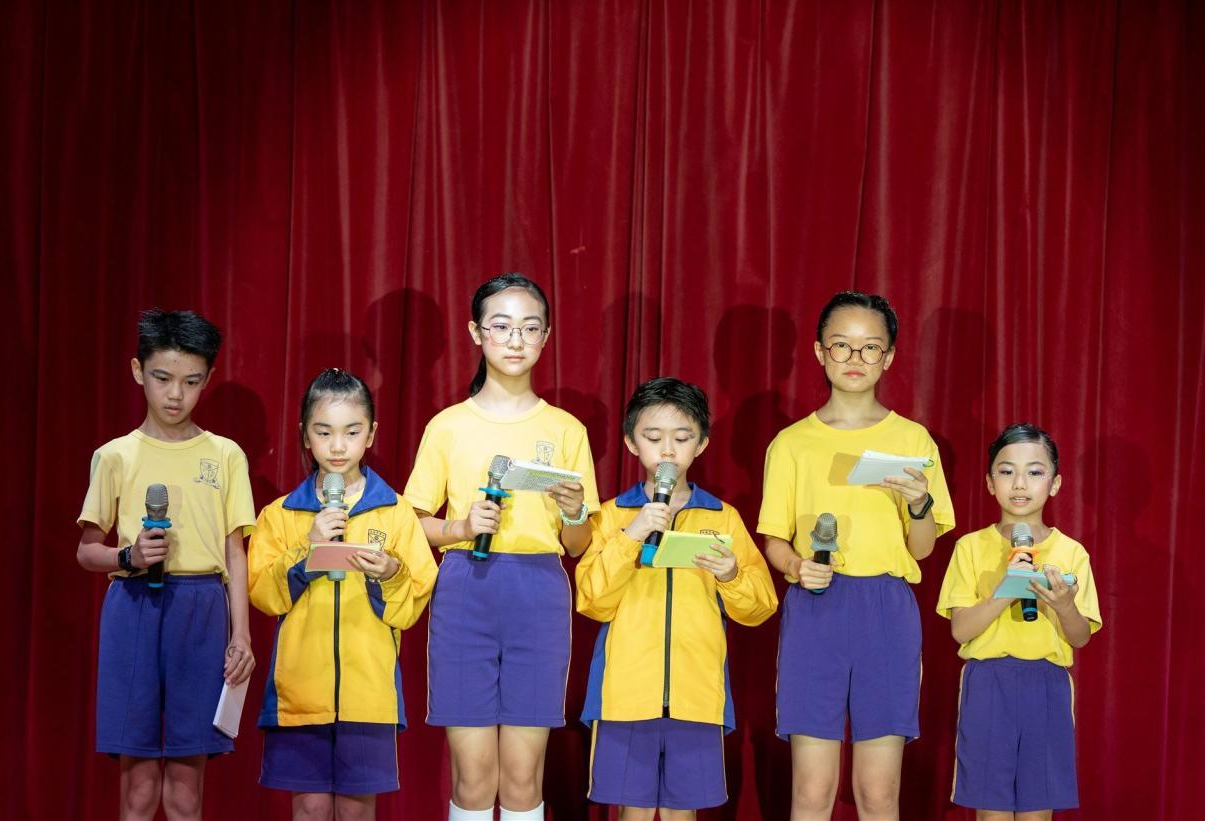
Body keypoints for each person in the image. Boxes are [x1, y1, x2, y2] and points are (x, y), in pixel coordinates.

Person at [404, 273, 600, 821]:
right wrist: (462, 527)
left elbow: (578, 544)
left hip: (538, 591)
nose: (516, 340)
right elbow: (412, 523)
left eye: (530, 328)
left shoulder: (566, 430)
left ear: (546, 337)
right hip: (466, 588)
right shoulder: (447, 426)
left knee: (521, 776)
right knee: (473, 776)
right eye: (502, 326)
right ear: (476, 332)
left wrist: (573, 510)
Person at [757, 290, 955, 820]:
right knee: (811, 791)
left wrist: (919, 503)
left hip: (886, 609)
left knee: (878, 792)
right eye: (841, 345)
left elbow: (922, 548)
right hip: (815, 609)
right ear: (820, 352)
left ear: (888, 357)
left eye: (870, 348)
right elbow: (773, 539)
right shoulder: (791, 443)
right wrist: (797, 566)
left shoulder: (913, 441)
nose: (855, 358)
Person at [76, 308, 255, 821]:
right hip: (133, 605)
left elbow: (234, 551)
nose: (175, 394)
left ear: (208, 379)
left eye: (191, 381)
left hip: (201, 609)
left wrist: (241, 634)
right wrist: (127, 556)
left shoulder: (225, 455)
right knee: (137, 788)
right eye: (162, 378)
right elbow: (87, 550)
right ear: (138, 371)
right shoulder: (115, 455)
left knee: (184, 788)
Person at [576, 377, 777, 819]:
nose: (667, 450)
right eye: (653, 437)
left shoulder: (723, 518)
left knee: (682, 812)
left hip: (697, 694)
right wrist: (632, 535)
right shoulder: (611, 515)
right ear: (631, 443)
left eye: (682, 438)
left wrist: (730, 575)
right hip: (625, 694)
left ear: (701, 444)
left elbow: (760, 606)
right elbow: (592, 600)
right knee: (632, 811)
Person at [249, 368, 438, 820]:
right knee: (311, 809)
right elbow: (263, 593)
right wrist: (309, 548)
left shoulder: (396, 512)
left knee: (356, 811)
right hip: (299, 694)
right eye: (324, 432)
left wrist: (390, 573)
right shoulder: (280, 514)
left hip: (369, 695)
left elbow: (411, 604)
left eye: (351, 432)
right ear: (304, 434)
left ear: (370, 434)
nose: (337, 446)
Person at [937, 422, 1101, 819]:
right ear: (990, 483)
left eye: (1035, 471)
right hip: (988, 681)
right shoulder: (970, 547)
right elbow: (961, 629)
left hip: (1046, 683)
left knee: (1037, 809)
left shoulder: (1071, 552)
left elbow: (1080, 637)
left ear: (1055, 484)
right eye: (1007, 471)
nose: (1020, 483)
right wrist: (1006, 590)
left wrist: (1063, 605)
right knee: (991, 810)